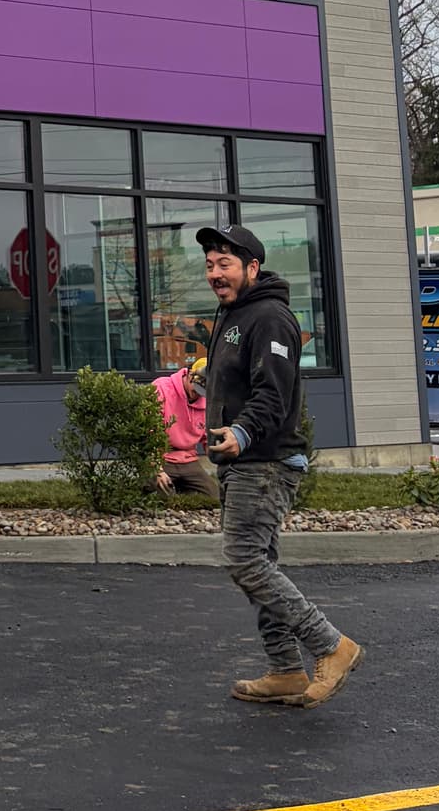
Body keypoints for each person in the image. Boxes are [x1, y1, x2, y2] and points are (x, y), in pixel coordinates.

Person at [199, 224, 363, 708]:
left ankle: (331, 646)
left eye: (224, 263)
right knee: (259, 563)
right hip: (241, 460)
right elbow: (245, 377)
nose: (214, 273)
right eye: (209, 265)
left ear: (252, 267)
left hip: (265, 462)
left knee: (245, 560)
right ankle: (286, 669)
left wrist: (242, 432)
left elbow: (275, 391)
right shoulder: (235, 314)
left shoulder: (270, 317)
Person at [153, 360, 219, 499]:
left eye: (202, 393)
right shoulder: (161, 388)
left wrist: (220, 459)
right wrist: (157, 470)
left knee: (214, 496)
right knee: (159, 496)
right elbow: (148, 434)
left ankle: (183, 489)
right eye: (196, 390)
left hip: (189, 460)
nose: (198, 395)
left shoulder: (208, 399)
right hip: (162, 457)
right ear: (189, 375)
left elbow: (208, 440)